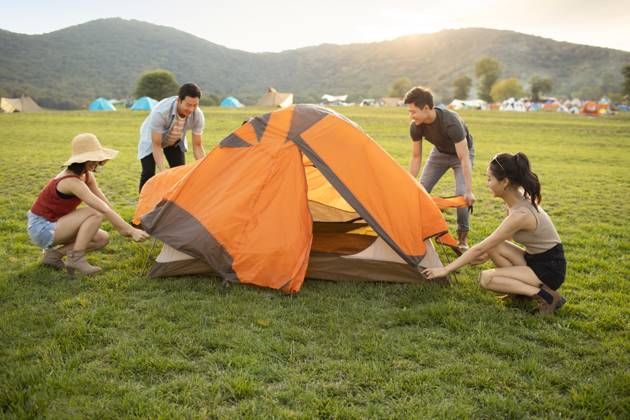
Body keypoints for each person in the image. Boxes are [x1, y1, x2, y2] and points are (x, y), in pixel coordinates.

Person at [423, 152, 567, 315]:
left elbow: (481, 246)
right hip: (535, 259)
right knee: (493, 247)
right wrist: (486, 254)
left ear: (505, 182)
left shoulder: (521, 214)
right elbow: (501, 238)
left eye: (489, 179)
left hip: (549, 269)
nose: (487, 184)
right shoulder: (515, 202)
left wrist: (445, 270)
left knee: (486, 279)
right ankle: (519, 294)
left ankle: (548, 296)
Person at [27, 133, 149, 275]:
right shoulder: (70, 181)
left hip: (55, 223)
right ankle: (76, 259)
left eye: (97, 158)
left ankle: (53, 256)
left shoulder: (86, 175)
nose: (95, 162)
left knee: (102, 239)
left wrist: (125, 226)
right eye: (91, 158)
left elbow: (104, 202)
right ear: (80, 160)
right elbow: (100, 208)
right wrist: (129, 230)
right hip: (41, 228)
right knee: (95, 212)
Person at [404, 86, 475, 252]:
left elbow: (464, 157)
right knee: (420, 191)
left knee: (462, 194)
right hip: (439, 153)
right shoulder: (416, 125)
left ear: (427, 108)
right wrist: (409, 182)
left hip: (461, 155)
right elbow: (416, 157)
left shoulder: (451, 122)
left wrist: (469, 191)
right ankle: (418, 230)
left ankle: (462, 238)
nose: (410, 116)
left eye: (413, 111)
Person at [137, 83, 206, 192]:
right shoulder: (160, 112)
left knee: (179, 173)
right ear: (179, 100)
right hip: (152, 140)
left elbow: (197, 146)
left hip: (174, 140)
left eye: (195, 105)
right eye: (188, 105)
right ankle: (143, 205)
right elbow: (156, 145)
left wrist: (205, 169)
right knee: (149, 172)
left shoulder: (198, 115)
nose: (191, 109)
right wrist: (163, 170)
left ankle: (172, 204)